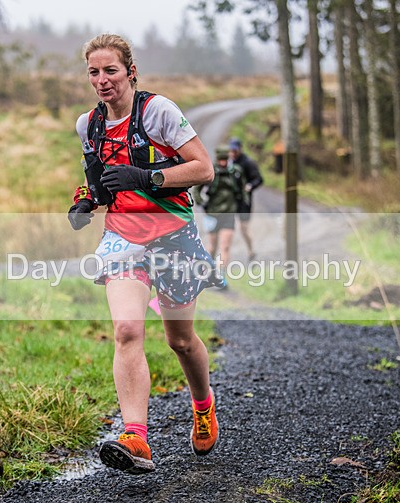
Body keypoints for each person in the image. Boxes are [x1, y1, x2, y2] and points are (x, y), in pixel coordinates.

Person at [67, 34, 223, 475]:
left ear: (130, 72)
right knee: (127, 330)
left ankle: (203, 405)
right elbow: (98, 181)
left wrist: (146, 176)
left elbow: (203, 168)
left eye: (110, 71)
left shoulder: (157, 112)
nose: (102, 80)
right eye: (94, 72)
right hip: (122, 237)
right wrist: (85, 202)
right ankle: (135, 437)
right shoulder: (89, 125)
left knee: (180, 340)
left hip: (172, 233)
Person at [194, 144, 244, 272]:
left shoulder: (235, 172)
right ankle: (208, 272)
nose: (223, 162)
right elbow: (197, 190)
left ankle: (220, 275)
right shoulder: (210, 171)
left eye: (225, 160)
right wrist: (201, 202)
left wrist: (242, 206)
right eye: (221, 160)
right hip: (212, 213)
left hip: (229, 214)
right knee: (212, 247)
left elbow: (243, 191)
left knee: (225, 247)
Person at [228, 137, 263, 262]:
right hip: (232, 200)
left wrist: (249, 186)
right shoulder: (230, 162)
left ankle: (251, 251)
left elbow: (259, 179)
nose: (232, 153)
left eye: (235, 151)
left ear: (240, 149)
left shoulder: (248, 163)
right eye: (231, 151)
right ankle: (226, 254)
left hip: (244, 201)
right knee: (227, 228)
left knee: (244, 228)